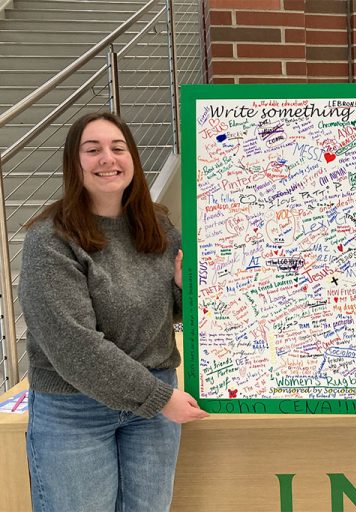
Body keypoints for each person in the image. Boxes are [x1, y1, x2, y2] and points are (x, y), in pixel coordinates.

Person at [19, 112, 208, 512]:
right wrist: (158, 398)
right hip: (76, 409)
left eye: (118, 148)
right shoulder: (50, 239)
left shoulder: (156, 225)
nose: (108, 158)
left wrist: (180, 288)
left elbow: (167, 315)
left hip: (152, 407)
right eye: (93, 150)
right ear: (74, 164)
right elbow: (74, 346)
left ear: (133, 160)